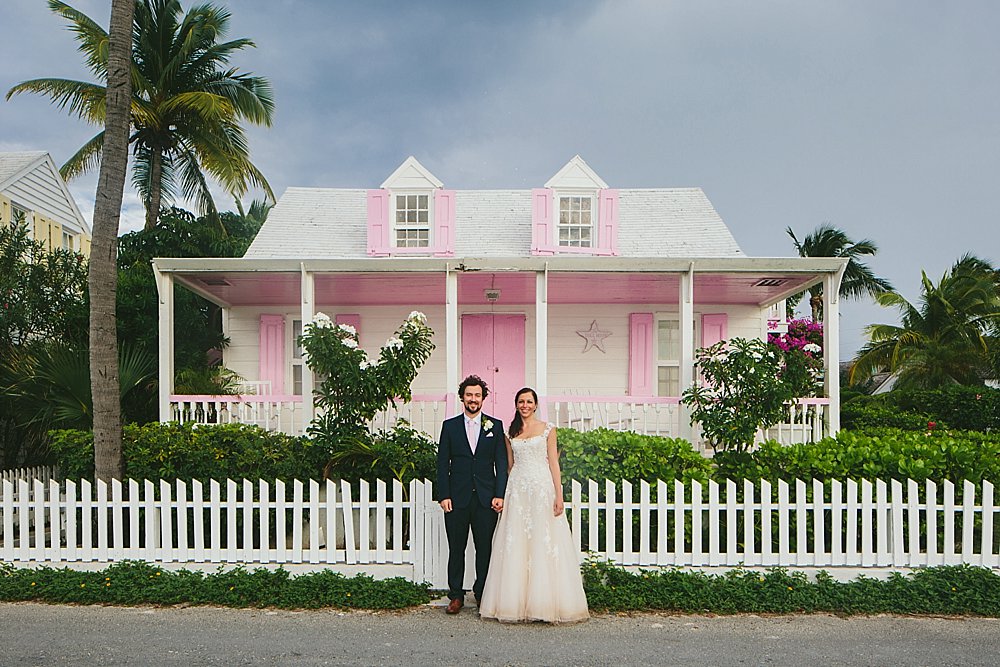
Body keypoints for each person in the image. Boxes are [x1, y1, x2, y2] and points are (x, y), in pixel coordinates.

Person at [479, 387, 589, 623]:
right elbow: (509, 466)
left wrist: (559, 495)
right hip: (518, 490)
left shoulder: (548, 429)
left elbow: (553, 464)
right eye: (521, 401)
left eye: (529, 401)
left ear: (536, 405)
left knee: (544, 541)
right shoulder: (510, 432)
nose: (525, 405)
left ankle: (545, 603)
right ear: (516, 404)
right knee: (516, 543)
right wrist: (505, 494)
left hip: (541, 489)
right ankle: (514, 603)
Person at [435, 375, 508, 615]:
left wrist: (500, 494)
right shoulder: (450, 426)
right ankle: (455, 595)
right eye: (469, 395)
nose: (473, 399)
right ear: (462, 398)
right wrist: (443, 495)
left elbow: (500, 462)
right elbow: (442, 463)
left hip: (486, 499)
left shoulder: (494, 426)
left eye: (477, 395)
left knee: (484, 548)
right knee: (456, 548)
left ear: (483, 398)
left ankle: (482, 593)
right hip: (456, 498)